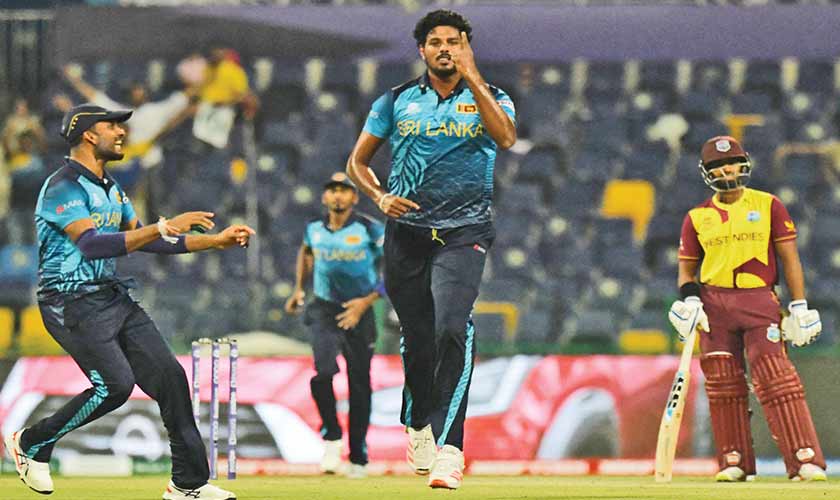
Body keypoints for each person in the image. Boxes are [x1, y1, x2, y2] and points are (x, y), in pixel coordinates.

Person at [3, 104, 255, 500]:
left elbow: (148, 239)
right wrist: (161, 225)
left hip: (112, 297)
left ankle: (187, 485)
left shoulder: (110, 188)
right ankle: (31, 442)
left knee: (171, 378)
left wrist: (214, 240)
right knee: (115, 386)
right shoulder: (62, 186)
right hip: (69, 302)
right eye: (112, 126)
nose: (121, 132)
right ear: (88, 134)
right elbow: (90, 244)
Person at [345, 9, 516, 490]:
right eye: (436, 42)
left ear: (466, 48)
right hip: (407, 234)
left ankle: (451, 449)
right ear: (421, 51)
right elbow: (357, 162)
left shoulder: (493, 98)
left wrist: (474, 76)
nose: (446, 49)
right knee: (418, 342)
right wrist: (378, 196)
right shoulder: (396, 101)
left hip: (466, 232)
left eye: (455, 42)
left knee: (451, 328)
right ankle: (418, 421)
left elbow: (505, 137)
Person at [669, 136, 826, 482]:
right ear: (706, 172)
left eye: (732, 162)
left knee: (776, 377)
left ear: (744, 165)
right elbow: (686, 271)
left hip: (758, 301)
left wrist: (798, 306)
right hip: (714, 305)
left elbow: (790, 259)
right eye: (717, 166)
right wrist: (690, 299)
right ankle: (734, 461)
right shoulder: (697, 217)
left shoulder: (769, 205)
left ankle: (804, 459)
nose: (727, 169)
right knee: (724, 384)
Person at [284, 172, 385, 479]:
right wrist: (299, 288)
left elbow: (395, 267)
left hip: (360, 309)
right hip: (324, 307)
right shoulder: (314, 229)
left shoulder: (369, 229)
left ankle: (358, 456)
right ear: (325, 197)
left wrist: (365, 303)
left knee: (359, 384)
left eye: (344, 191)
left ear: (355, 197)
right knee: (323, 372)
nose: (338, 196)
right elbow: (306, 252)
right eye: (333, 191)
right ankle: (331, 437)